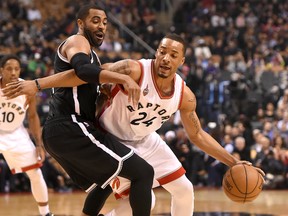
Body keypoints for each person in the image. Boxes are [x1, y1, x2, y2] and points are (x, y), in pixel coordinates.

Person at [3, 34, 265, 216]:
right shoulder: (134, 69)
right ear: (156, 52)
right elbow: (90, 74)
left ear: (181, 61)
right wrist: (40, 84)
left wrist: (234, 162)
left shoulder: (184, 95)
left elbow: (197, 134)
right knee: (146, 201)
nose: (165, 58)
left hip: (146, 139)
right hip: (112, 140)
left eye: (173, 54)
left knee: (184, 189)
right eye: (162, 51)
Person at [3, 4, 154, 216]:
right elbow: (83, 70)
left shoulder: (93, 57)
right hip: (70, 126)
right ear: (80, 24)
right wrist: (123, 77)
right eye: (95, 21)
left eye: (104, 22)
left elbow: (80, 76)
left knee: (102, 185)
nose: (101, 26)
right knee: (143, 173)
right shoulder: (77, 41)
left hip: (63, 131)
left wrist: (101, 94)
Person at [0, 54, 53, 216]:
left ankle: (45, 213)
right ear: (1, 70)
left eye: (17, 69)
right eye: (9, 69)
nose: (14, 72)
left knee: (35, 173)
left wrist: (38, 144)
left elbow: (32, 116)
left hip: (16, 132)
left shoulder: (27, 88)